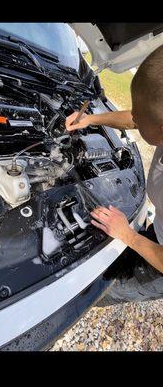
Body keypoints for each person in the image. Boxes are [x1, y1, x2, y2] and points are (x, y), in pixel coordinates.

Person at [65, 45, 163, 305]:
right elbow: (137, 117)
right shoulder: (157, 120)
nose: (134, 120)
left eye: (139, 119)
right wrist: (90, 120)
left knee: (99, 289)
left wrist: (128, 234)